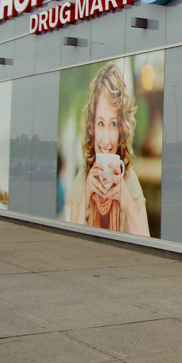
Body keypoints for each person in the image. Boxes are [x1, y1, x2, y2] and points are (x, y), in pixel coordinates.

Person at [67, 63, 150, 235]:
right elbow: (72, 245)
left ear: (122, 130)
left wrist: (127, 205)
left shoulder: (128, 180)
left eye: (113, 124)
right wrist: (86, 198)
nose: (105, 139)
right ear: (92, 128)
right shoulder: (83, 178)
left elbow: (147, 248)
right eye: (100, 123)